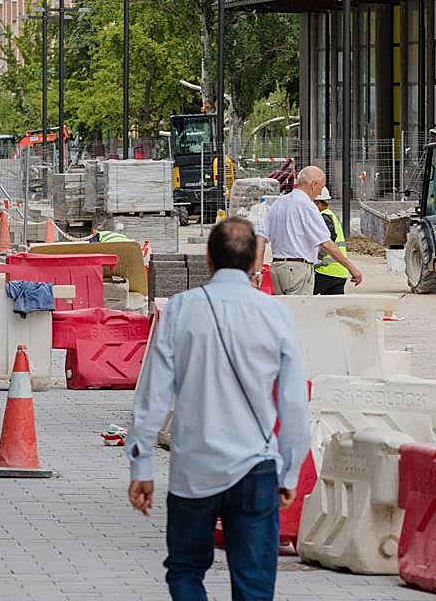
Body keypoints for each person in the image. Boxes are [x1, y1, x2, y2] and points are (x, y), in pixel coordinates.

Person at [127, 217, 310, 601]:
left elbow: (153, 396)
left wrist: (141, 467)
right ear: (255, 262)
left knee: (185, 570)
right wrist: (289, 472)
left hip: (193, 469)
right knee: (255, 582)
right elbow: (293, 404)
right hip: (256, 469)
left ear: (208, 258)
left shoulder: (180, 310)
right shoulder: (275, 315)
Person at [254, 165, 362, 295]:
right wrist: (352, 268)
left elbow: (260, 238)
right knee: (301, 312)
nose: (318, 193)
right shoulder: (307, 206)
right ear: (314, 184)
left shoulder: (278, 203)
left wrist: (257, 270)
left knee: (286, 312)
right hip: (298, 270)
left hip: (277, 269)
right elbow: (326, 243)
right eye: (320, 188)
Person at [312, 186, 350, 295]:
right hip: (338, 271)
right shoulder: (330, 215)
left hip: (325, 271)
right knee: (332, 308)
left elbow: (328, 240)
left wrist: (319, 255)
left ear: (317, 203)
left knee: (304, 299)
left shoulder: (323, 217)